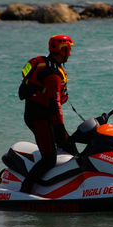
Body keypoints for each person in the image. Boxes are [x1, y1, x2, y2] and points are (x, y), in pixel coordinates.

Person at [17, 34, 78, 193]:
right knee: (49, 159)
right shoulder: (52, 74)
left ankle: (71, 182)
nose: (70, 54)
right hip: (39, 117)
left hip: (44, 114)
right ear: (61, 50)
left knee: (69, 145)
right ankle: (25, 190)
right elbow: (55, 104)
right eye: (68, 50)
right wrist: (60, 127)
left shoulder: (46, 63)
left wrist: (61, 132)